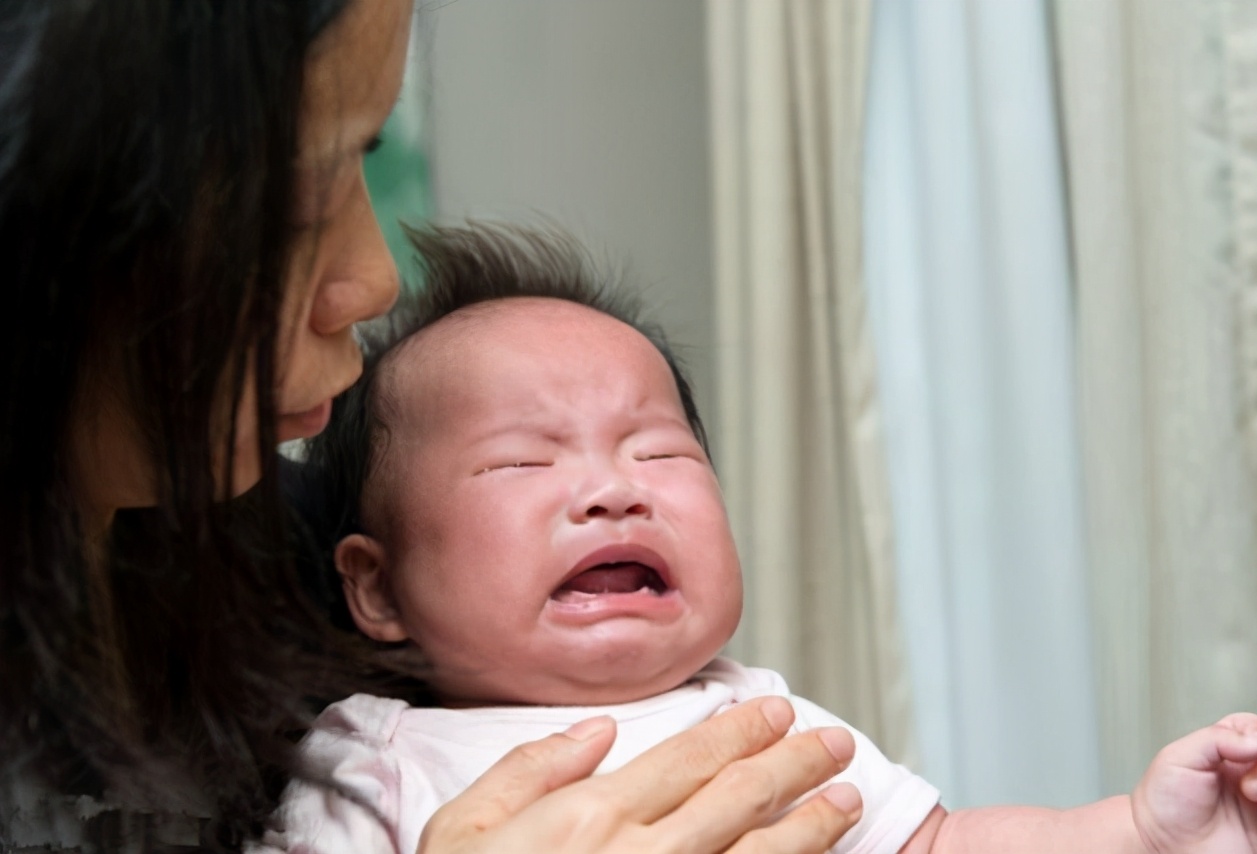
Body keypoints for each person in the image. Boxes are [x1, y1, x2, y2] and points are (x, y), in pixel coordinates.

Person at [0, 2, 863, 852]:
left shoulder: (301, 561)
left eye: (660, 451)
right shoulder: (377, 738)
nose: (374, 279)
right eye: (298, 202)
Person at [280, 222, 1257, 854]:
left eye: (659, 450)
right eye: (521, 462)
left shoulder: (758, 715)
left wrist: (1141, 830)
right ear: (378, 588)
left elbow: (940, 843)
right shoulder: (379, 760)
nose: (611, 491)